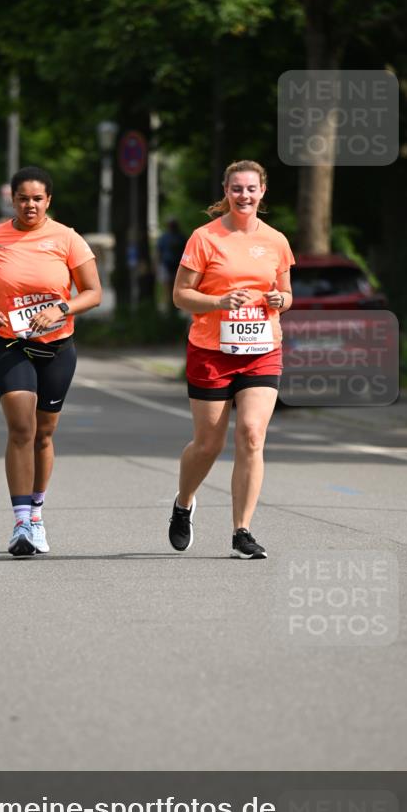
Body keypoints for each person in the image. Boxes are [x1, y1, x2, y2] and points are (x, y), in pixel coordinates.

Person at [0, 166, 102, 557]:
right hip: (9, 343)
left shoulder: (67, 239)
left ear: (48, 201)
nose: (30, 205)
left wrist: (62, 308)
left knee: (44, 432)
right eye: (23, 198)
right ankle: (20, 521)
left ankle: (37, 514)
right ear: (13, 200)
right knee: (21, 427)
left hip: (57, 345)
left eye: (37, 198)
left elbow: (93, 292)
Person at [168, 159, 294, 559]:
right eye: (237, 188)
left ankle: (242, 531)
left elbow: (287, 294)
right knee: (208, 444)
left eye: (251, 189)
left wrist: (280, 300)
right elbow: (180, 295)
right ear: (226, 191)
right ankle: (184, 501)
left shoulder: (276, 240)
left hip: (262, 348)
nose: (244, 195)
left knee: (252, 435)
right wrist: (219, 301)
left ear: (262, 192)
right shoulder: (204, 238)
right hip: (211, 350)